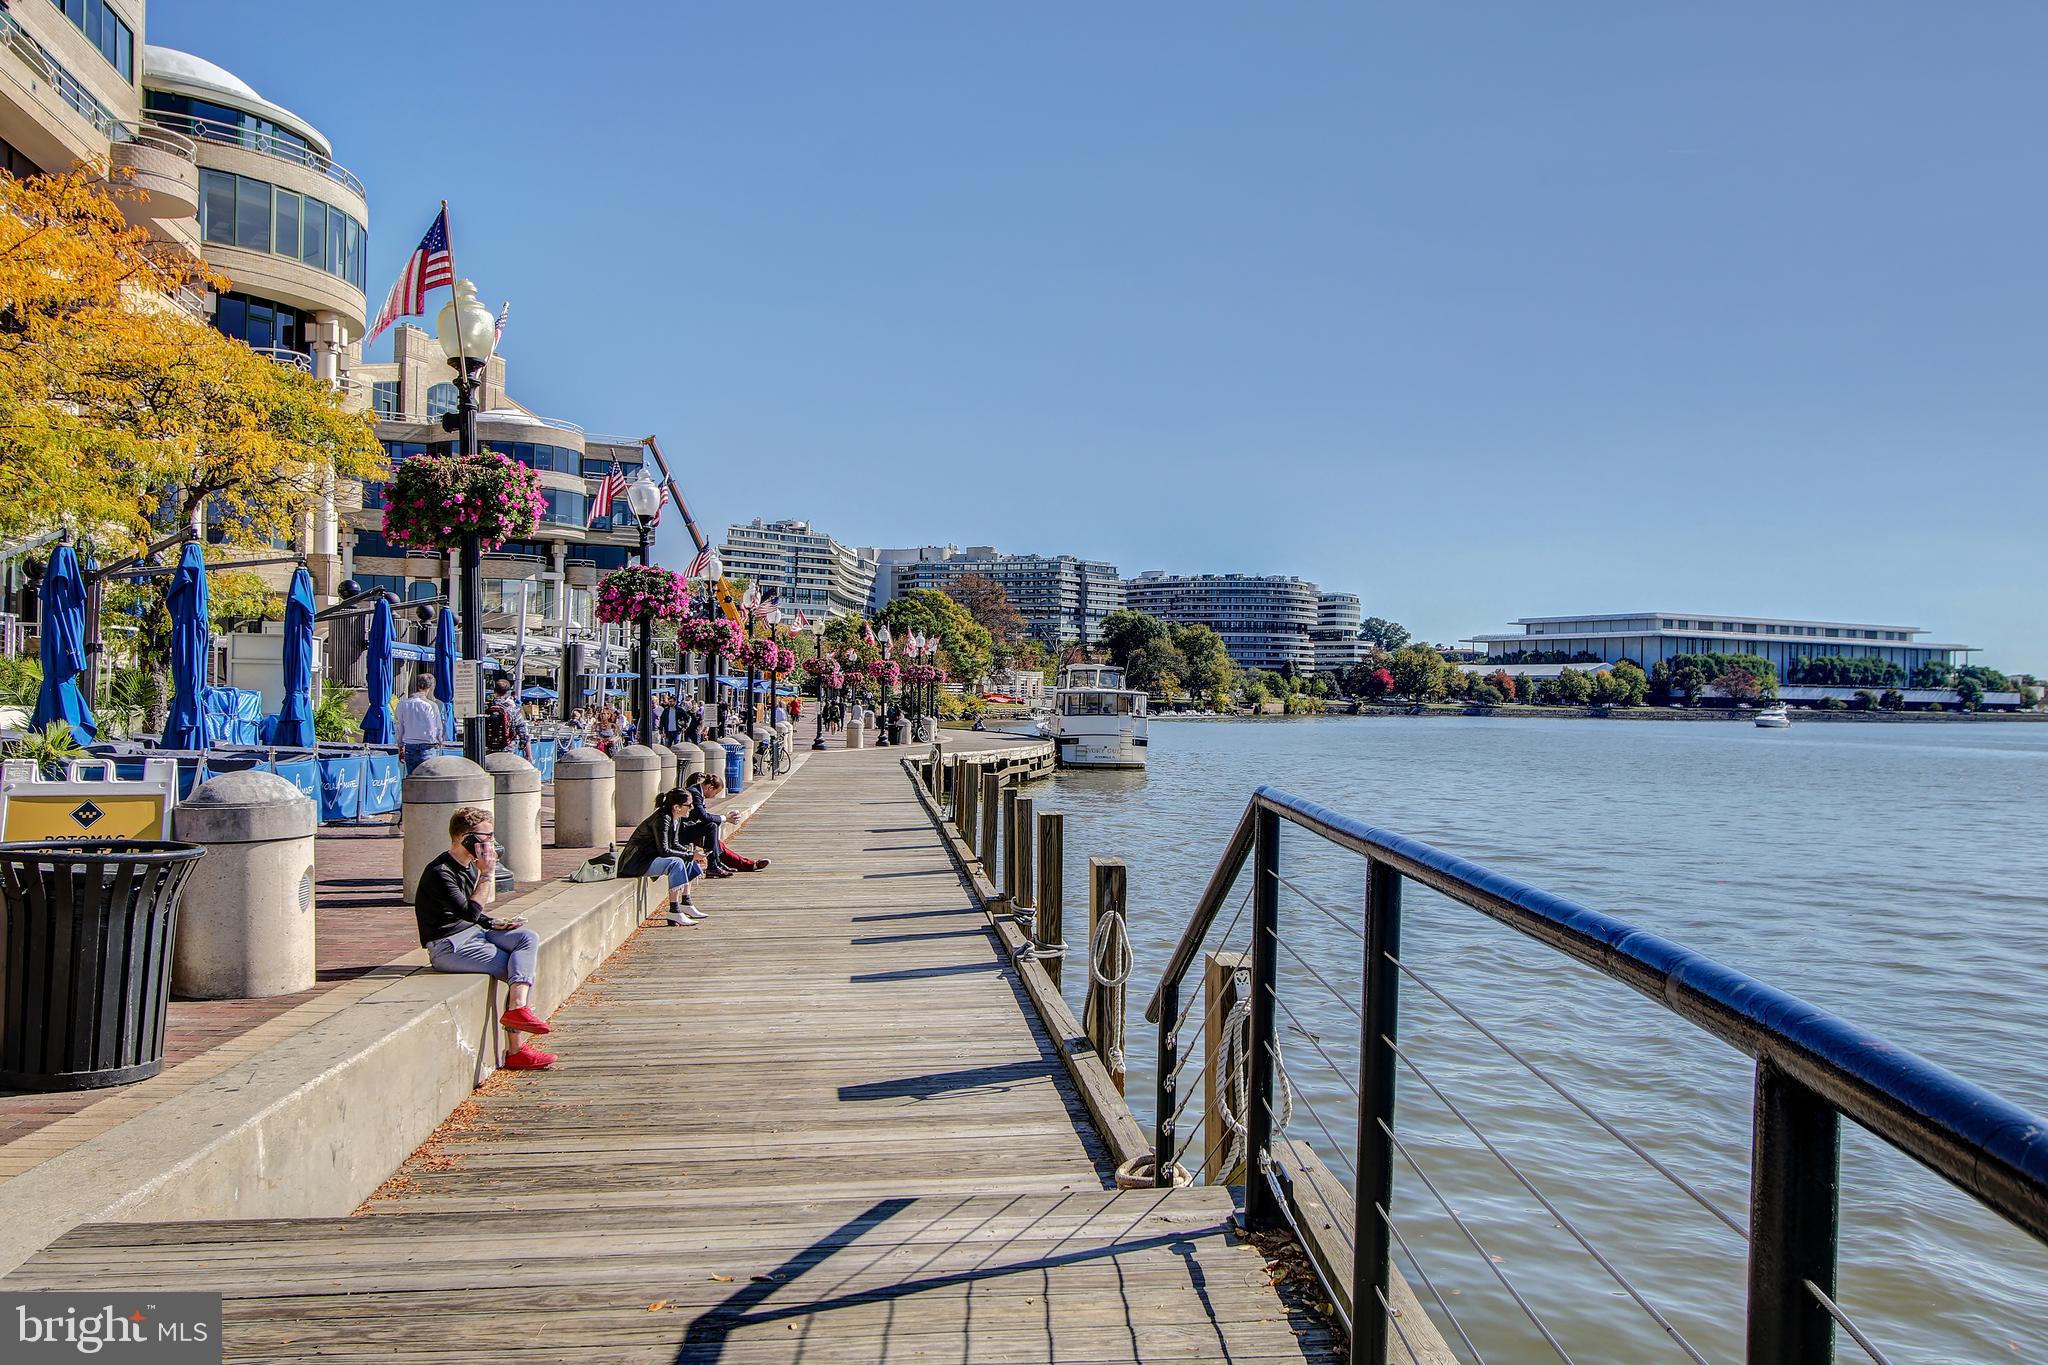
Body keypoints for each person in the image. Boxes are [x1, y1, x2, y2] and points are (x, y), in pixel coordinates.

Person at [415, 806, 556, 1070]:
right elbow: (468, 911)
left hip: (472, 934)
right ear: (464, 838)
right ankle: (516, 1050)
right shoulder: (440, 872)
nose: (490, 843)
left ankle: (517, 1011)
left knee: (526, 938)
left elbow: (474, 917)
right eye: (485, 837)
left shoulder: (468, 867)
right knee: (515, 970)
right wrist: (488, 874)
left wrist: (494, 924)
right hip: (448, 946)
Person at [619, 788, 707, 925]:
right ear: (677, 807)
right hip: (636, 862)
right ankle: (674, 911)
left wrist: (694, 855)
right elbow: (664, 851)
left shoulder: (674, 817)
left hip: (650, 858)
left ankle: (686, 902)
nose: (692, 807)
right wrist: (690, 855)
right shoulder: (662, 819)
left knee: (687, 857)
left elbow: (675, 844)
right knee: (677, 862)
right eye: (689, 805)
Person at [395, 673, 443, 772]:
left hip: (409, 746)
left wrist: (400, 745)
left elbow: (399, 727)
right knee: (428, 780)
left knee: (412, 779)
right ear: (430, 687)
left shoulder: (403, 704)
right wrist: (439, 740)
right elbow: (437, 727)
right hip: (427, 746)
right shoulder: (431, 705)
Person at [485, 677, 525, 758]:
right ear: (508, 692)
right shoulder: (513, 710)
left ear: (494, 691)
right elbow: (523, 731)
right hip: (507, 748)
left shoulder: (486, 708)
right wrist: (524, 747)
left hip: (488, 748)